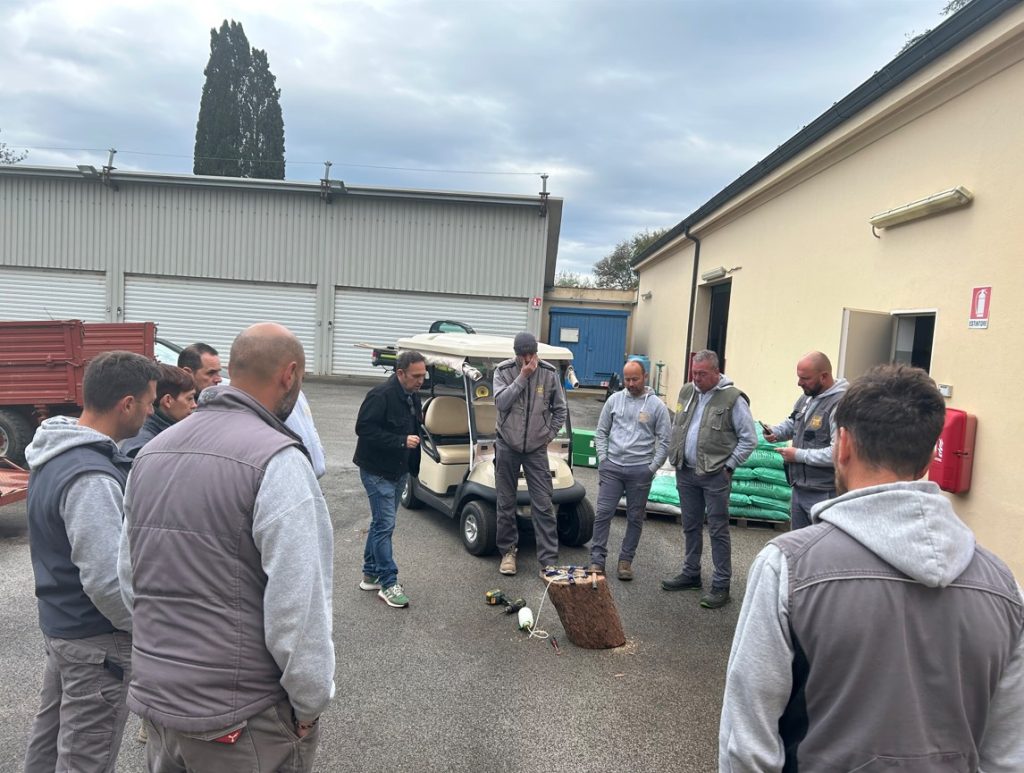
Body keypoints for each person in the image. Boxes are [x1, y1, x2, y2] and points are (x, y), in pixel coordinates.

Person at [719, 365, 1024, 772]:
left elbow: (747, 742)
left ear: (842, 445)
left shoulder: (788, 567)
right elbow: (1007, 754)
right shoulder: (1004, 587)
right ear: (928, 453)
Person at [118, 323, 334, 773]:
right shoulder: (278, 461)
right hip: (240, 720)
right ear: (289, 374)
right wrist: (309, 704)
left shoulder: (152, 453)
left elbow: (128, 578)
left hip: (160, 704)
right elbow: (298, 608)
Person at [23, 351, 159, 773]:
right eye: (151, 401)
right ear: (128, 404)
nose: (153, 411)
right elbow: (104, 579)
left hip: (63, 627)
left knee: (48, 747)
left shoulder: (53, 454)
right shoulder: (92, 477)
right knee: (85, 759)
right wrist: (142, 629)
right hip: (98, 643)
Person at [662, 350, 756, 609]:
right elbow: (677, 426)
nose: (697, 379)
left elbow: (749, 438)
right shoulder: (687, 392)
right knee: (690, 526)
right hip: (686, 471)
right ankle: (691, 573)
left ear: (717, 372)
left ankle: (721, 584)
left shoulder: (733, 399)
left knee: (718, 529)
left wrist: (729, 466)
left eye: (702, 374)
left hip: (715, 474)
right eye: (694, 373)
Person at [353, 349, 426, 608]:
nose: (420, 381)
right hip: (376, 472)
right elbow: (363, 428)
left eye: (423, 375)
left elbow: (414, 427)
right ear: (400, 373)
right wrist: (399, 441)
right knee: (385, 525)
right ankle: (387, 581)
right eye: (416, 376)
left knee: (380, 523)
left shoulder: (412, 396)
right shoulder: (380, 395)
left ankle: (370, 573)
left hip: (399, 471)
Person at [493, 331, 567, 577]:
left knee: (544, 504)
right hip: (507, 445)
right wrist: (522, 378)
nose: (527, 359)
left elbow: (560, 410)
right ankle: (508, 552)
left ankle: (548, 560)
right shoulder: (503, 371)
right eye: (522, 356)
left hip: (536, 448)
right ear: (515, 355)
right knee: (506, 501)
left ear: (536, 352)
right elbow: (501, 402)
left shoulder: (548, 373)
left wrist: (547, 436)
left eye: (531, 354)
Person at [588, 359, 670, 580]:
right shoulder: (614, 401)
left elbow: (665, 441)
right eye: (627, 379)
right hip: (612, 468)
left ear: (645, 377)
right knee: (603, 514)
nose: (631, 384)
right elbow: (601, 432)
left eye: (635, 379)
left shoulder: (657, 406)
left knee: (635, 517)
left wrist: (652, 468)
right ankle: (597, 560)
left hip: (640, 471)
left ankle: (625, 561)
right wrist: (603, 460)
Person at [762, 351, 848, 529]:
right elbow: (793, 423)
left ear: (824, 376)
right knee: (799, 549)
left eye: (805, 378)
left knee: (821, 550)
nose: (799, 383)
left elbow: (837, 453)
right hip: (799, 489)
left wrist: (798, 455)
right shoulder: (806, 398)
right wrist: (775, 432)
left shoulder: (840, 405)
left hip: (825, 493)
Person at [120, 364, 196, 459]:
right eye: (190, 398)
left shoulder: (167, 433)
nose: (194, 405)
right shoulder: (144, 447)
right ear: (168, 400)